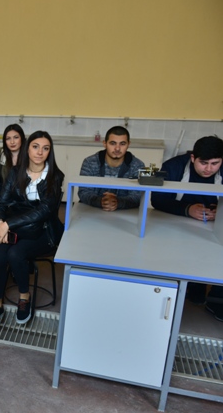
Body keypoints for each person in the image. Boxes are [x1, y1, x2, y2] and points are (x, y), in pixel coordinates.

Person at [0, 131, 64, 328]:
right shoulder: (15, 172)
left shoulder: (55, 176)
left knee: (15, 253)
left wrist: (7, 225)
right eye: (35, 147)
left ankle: (24, 298)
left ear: (50, 152)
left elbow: (43, 211)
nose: (40, 152)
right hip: (16, 228)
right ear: (27, 149)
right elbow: (0, 203)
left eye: (45, 148)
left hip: (44, 231)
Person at [152, 135, 223, 317]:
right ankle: (187, 292)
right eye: (203, 163)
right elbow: (157, 199)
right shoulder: (172, 166)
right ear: (193, 158)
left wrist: (220, 211)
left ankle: (215, 299)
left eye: (215, 164)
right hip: (176, 224)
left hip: (214, 227)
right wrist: (188, 209)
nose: (208, 169)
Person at [78, 126, 145, 210]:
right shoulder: (89, 162)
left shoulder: (138, 165)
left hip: (124, 213)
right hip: (91, 210)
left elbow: (138, 197)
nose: (117, 148)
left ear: (128, 144)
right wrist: (101, 201)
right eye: (113, 143)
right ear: (104, 143)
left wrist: (117, 202)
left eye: (122, 144)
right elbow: (83, 192)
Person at [0, 124, 25, 203]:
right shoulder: (1, 156)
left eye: (16, 137)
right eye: (8, 138)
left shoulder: (29, 157)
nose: (12, 142)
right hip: (2, 199)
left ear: (22, 138)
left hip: (23, 202)